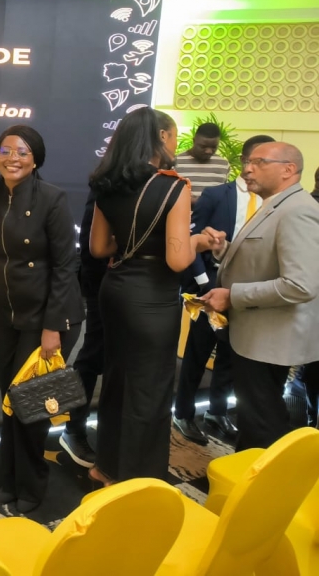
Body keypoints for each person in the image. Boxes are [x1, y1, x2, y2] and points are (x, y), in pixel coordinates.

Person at [88, 108, 222, 484]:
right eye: (174, 136)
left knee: (117, 380)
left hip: (115, 291)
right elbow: (178, 259)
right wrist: (201, 240)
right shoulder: (174, 186)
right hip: (152, 296)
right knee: (150, 389)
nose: (175, 144)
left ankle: (105, 466)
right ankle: (137, 479)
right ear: (161, 137)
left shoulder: (106, 182)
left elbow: (99, 248)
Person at [0, 125, 84, 513]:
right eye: (5, 151)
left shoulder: (52, 198)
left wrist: (52, 328)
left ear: (35, 159)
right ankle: (9, 479)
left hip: (49, 317)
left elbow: (65, 265)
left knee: (32, 406)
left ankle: (32, 487)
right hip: (7, 312)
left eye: (22, 152)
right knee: (10, 400)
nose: (12, 158)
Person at [201, 142, 319, 451]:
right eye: (247, 162)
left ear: (288, 170)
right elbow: (263, 261)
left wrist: (233, 296)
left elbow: (300, 285)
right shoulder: (276, 204)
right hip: (255, 335)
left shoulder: (297, 211)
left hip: (268, 339)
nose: (247, 169)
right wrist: (224, 251)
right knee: (254, 419)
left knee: (262, 424)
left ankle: (263, 479)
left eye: (259, 162)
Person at [172, 135, 275, 446]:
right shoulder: (217, 195)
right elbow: (192, 240)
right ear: (245, 161)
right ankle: (183, 413)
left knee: (231, 354)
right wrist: (204, 283)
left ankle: (217, 411)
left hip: (249, 290)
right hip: (210, 286)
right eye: (258, 160)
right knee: (198, 352)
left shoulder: (273, 203)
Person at [58, 189, 106, 468]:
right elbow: (91, 248)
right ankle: (74, 428)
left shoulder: (161, 184)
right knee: (92, 357)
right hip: (104, 286)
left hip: (142, 292)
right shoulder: (107, 184)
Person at [173, 122, 230, 201]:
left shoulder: (223, 165)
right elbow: (170, 195)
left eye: (214, 147)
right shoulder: (176, 162)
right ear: (194, 141)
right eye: (203, 146)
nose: (209, 151)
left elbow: (224, 195)